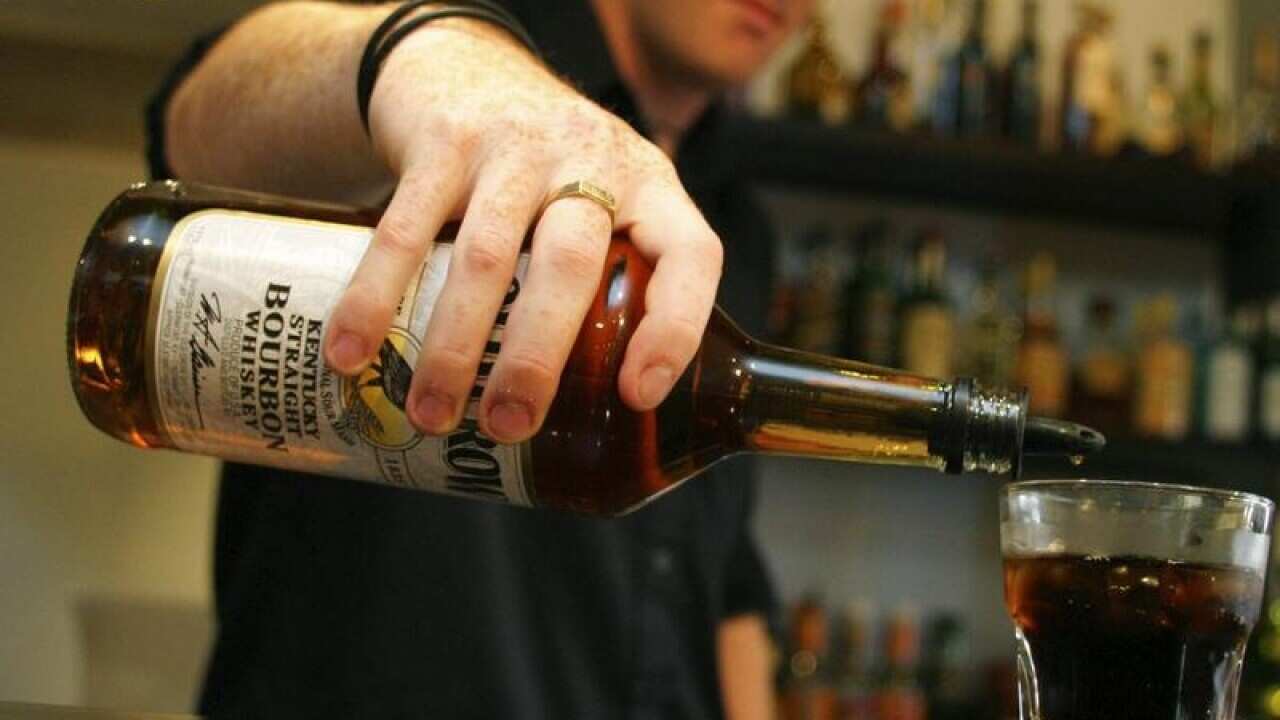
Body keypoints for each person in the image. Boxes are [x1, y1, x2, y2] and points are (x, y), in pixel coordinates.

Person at [148, 0, 813, 717]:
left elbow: (720, 568)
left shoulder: (740, 228)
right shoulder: (466, 67)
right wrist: (423, 58)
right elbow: (194, 126)